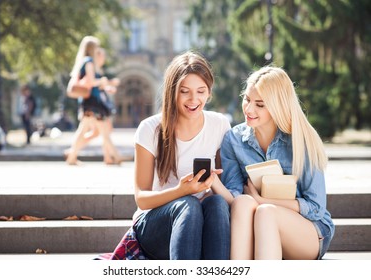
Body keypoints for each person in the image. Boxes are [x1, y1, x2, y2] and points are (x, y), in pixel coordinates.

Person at [220, 66, 335, 260]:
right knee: (241, 203)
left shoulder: (301, 140)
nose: (249, 109)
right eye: (247, 99)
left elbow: (316, 208)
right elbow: (234, 193)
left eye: (260, 104)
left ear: (277, 106)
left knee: (266, 212)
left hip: (309, 231)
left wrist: (264, 201)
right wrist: (213, 184)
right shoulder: (233, 140)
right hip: (260, 228)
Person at [132, 51, 234, 260]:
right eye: (184, 91)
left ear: (209, 93)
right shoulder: (150, 128)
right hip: (155, 227)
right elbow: (142, 199)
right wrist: (181, 191)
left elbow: (221, 185)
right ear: (172, 93)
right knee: (189, 205)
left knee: (216, 204)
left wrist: (211, 186)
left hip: (200, 222)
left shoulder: (219, 124)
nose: (193, 99)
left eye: (200, 91)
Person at [65, 36, 122, 165]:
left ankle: (72, 156)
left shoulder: (83, 61)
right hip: (93, 102)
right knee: (102, 130)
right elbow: (91, 82)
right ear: (92, 48)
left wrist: (105, 85)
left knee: (86, 130)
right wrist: (102, 81)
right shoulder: (89, 61)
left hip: (89, 101)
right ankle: (116, 156)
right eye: (96, 47)